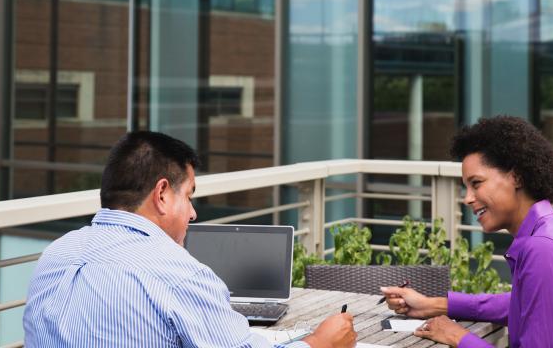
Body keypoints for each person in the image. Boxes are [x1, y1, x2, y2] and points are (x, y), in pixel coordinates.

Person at [23, 131, 356, 348]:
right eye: (190, 196)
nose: (193, 213)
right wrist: (320, 343)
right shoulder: (178, 274)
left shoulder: (57, 254)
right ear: (163, 194)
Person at [381, 116, 553, 347]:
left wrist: (459, 337)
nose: (467, 198)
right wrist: (432, 304)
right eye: (465, 187)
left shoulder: (545, 248)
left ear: (517, 177)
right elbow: (524, 305)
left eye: (476, 183)